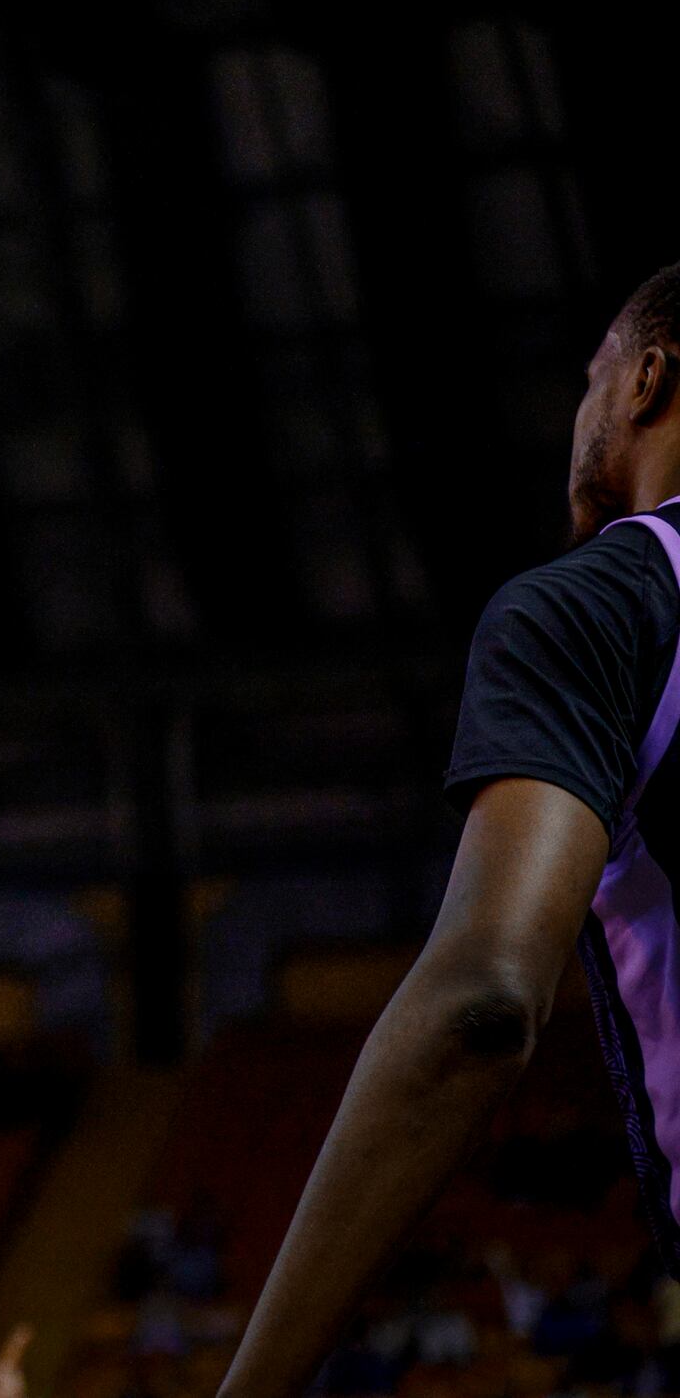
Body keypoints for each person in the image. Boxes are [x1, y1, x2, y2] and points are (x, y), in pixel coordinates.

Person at [218, 264, 680, 1398]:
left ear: (645, 380)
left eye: (590, 379)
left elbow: (478, 1007)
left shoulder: (598, 605)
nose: (579, 413)